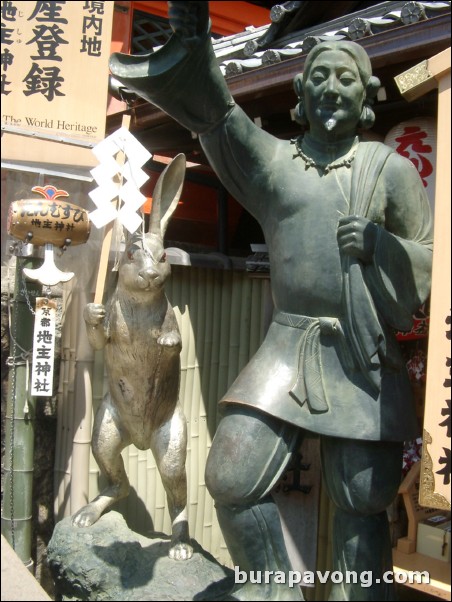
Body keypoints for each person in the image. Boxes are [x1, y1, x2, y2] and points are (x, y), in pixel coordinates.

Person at [109, 2, 433, 600]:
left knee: (364, 498)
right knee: (231, 476)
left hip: (363, 357)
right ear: (300, 95)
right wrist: (196, 41)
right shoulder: (277, 163)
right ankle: (272, 590)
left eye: (345, 78)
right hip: (288, 344)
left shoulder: (389, 171)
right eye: (318, 77)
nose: (331, 88)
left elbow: (433, 261)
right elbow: (221, 117)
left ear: (366, 95)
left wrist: (382, 245)